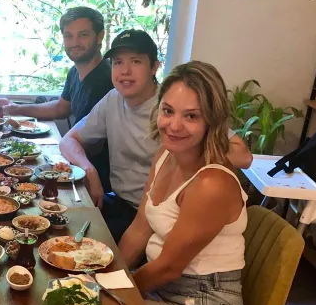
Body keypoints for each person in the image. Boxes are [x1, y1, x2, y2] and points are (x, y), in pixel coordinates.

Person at [59, 29, 252, 242]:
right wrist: (89, 170)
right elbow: (68, 140)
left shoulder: (172, 105)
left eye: (135, 62)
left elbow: (244, 157)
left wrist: (189, 146)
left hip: (161, 215)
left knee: (83, 248)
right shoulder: (113, 98)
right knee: (63, 221)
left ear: (154, 67)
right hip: (121, 203)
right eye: (118, 63)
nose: (125, 71)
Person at [119, 61, 247, 305]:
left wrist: (117, 294)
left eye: (191, 116)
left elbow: (168, 267)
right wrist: (110, 279)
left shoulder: (212, 183)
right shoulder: (166, 155)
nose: (174, 125)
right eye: (168, 111)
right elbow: (139, 229)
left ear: (211, 122)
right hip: (162, 293)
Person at [0, 7, 113, 189]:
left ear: (100, 36)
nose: (75, 42)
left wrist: (54, 155)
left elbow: (93, 144)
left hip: (92, 176)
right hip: (76, 161)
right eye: (68, 36)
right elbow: (61, 108)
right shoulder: (75, 72)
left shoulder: (107, 79)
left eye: (83, 35)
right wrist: (15, 108)